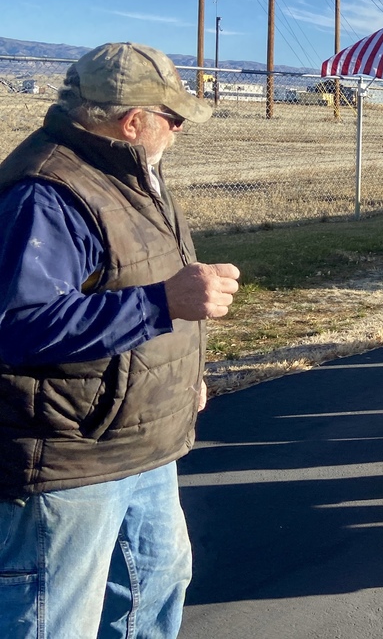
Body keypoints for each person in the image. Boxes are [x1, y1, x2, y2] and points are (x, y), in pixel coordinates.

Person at [0, 41, 240, 638]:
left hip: (139, 444)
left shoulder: (129, 175)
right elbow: (16, 326)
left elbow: (129, 279)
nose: (179, 131)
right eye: (174, 118)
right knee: (54, 618)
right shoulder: (47, 193)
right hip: (71, 456)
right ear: (134, 121)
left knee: (153, 591)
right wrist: (164, 304)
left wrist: (184, 376)